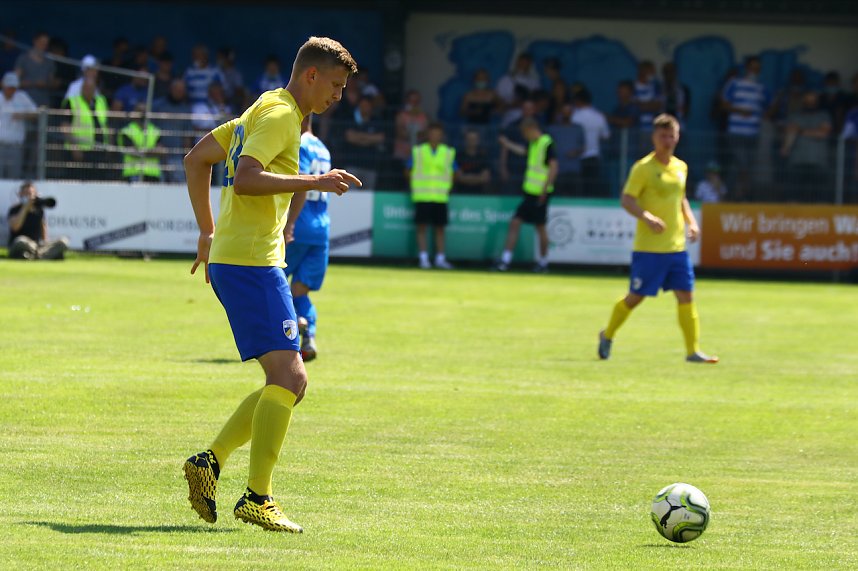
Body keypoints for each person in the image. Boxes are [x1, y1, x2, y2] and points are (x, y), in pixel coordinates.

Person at [182, 36, 360, 534]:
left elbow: (197, 159)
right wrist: (315, 182)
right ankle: (256, 497)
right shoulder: (281, 116)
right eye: (336, 85)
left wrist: (207, 230)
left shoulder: (263, 107)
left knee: (286, 382)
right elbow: (245, 178)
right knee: (292, 379)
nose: (338, 96)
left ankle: (210, 463)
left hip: (244, 260)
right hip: (250, 265)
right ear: (311, 74)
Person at [597, 113, 718, 364]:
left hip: (676, 248)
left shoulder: (680, 167)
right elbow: (627, 200)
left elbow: (681, 199)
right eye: (662, 135)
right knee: (635, 298)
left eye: (671, 135)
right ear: (654, 137)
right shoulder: (643, 168)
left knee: (686, 296)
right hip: (649, 249)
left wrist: (692, 222)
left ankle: (692, 351)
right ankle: (607, 334)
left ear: (678, 137)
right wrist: (647, 217)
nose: (667, 140)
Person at [282, 115, 333, 362]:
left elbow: (300, 184)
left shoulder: (298, 145)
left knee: (274, 283)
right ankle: (308, 335)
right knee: (300, 290)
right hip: (321, 229)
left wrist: (288, 223)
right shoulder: (323, 149)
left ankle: (293, 327)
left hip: (299, 226)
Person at [495, 117, 558, 273]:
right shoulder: (533, 144)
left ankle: (543, 263)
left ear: (531, 129)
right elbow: (522, 151)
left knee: (540, 227)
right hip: (529, 193)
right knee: (515, 222)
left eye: (524, 133)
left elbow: (554, 167)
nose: (524, 137)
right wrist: (507, 144)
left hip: (540, 194)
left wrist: (544, 189)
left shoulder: (547, 143)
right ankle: (505, 260)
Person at [407, 122, 456, 270]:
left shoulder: (448, 152)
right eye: (433, 133)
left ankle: (440, 259)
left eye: (438, 134)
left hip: (440, 197)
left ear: (441, 136)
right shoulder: (418, 151)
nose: (435, 136)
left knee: (440, 229)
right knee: (422, 228)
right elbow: (408, 169)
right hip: (422, 196)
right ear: (428, 135)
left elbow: (454, 171)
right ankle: (424, 259)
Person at [721, 55, 770, 199]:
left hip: (753, 133)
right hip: (736, 132)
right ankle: (730, 195)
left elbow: (769, 107)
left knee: (744, 165)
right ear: (746, 68)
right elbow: (723, 104)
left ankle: (741, 195)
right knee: (741, 163)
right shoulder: (734, 83)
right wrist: (740, 111)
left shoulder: (762, 87)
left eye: (758, 68)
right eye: (752, 67)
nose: (755, 71)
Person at [779, 91, 832, 202]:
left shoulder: (824, 115)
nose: (810, 104)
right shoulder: (795, 116)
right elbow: (790, 133)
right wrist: (786, 147)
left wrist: (801, 131)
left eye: (812, 101)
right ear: (803, 102)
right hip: (797, 161)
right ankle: (793, 218)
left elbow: (822, 133)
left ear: (817, 103)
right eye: (807, 101)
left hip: (818, 162)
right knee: (793, 196)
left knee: (819, 197)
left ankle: (819, 218)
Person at [7, 181, 68, 260]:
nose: (29, 196)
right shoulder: (14, 209)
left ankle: (35, 257)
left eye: (31, 193)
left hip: (37, 245)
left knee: (63, 242)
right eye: (26, 193)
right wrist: (25, 208)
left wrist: (45, 243)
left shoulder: (39, 210)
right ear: (20, 194)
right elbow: (15, 227)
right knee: (21, 241)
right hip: (22, 244)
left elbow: (43, 228)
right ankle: (44, 256)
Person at [572, 88, 610, 197]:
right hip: (594, 156)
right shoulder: (599, 116)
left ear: (578, 101)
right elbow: (606, 136)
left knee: (579, 190)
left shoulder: (574, 116)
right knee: (593, 189)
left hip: (576, 157)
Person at [0, 72, 37, 179]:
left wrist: (23, 115)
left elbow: (36, 113)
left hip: (15, 146)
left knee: (14, 178)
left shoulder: (22, 97)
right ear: (3, 85)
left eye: (14, 88)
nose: (11, 90)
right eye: (9, 87)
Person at [117, 105, 163, 182]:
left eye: (144, 112)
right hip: (133, 172)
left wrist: (140, 152)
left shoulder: (155, 130)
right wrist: (151, 152)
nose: (142, 114)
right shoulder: (127, 130)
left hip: (153, 174)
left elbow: (161, 151)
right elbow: (131, 151)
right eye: (139, 111)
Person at [14, 31, 56, 108]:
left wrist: (46, 84)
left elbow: (51, 83)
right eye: (41, 42)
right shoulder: (23, 59)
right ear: (35, 41)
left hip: (43, 102)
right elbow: (15, 82)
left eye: (46, 44)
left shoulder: (49, 61)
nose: (43, 46)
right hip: (25, 102)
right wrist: (34, 83)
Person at [454, 129, 491, 194]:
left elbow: (485, 178)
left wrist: (467, 178)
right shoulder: (458, 156)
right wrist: (478, 178)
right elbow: (458, 177)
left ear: (478, 140)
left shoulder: (483, 157)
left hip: (480, 195)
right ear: (465, 140)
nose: (471, 141)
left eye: (474, 139)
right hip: (461, 194)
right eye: (469, 139)